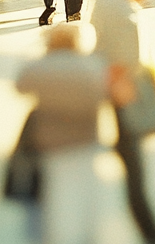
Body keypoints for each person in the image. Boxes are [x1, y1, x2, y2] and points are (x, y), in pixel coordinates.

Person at [15, 24, 112, 244]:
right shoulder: (93, 66)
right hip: (86, 142)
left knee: (55, 200)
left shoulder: (43, 67)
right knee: (88, 196)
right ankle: (90, 236)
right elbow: (110, 94)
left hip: (52, 146)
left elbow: (20, 85)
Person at [92, 0, 155, 244]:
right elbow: (135, 62)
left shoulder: (105, 3)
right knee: (135, 167)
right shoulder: (132, 19)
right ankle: (152, 234)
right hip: (123, 86)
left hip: (101, 76)